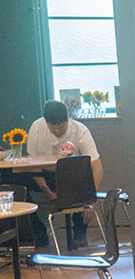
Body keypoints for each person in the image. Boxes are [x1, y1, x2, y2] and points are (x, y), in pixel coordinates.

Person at [19, 100, 104, 249]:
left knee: (83, 176)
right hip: (44, 175)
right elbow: (32, 165)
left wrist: (90, 201)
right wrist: (47, 191)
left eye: (61, 127)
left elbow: (97, 167)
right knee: (17, 182)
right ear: (46, 123)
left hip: (70, 176)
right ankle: (37, 232)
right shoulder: (37, 128)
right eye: (53, 128)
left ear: (68, 120)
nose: (57, 131)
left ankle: (79, 232)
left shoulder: (80, 130)